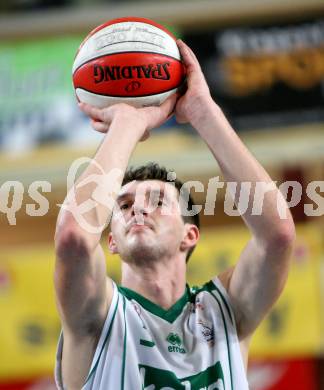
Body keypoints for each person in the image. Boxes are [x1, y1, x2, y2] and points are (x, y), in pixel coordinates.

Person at [54, 39, 295, 390]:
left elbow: (278, 236)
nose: (138, 207)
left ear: (189, 235)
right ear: (111, 242)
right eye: (123, 205)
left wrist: (203, 111)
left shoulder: (226, 311)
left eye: (158, 201)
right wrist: (128, 121)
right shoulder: (96, 315)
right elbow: (74, 238)